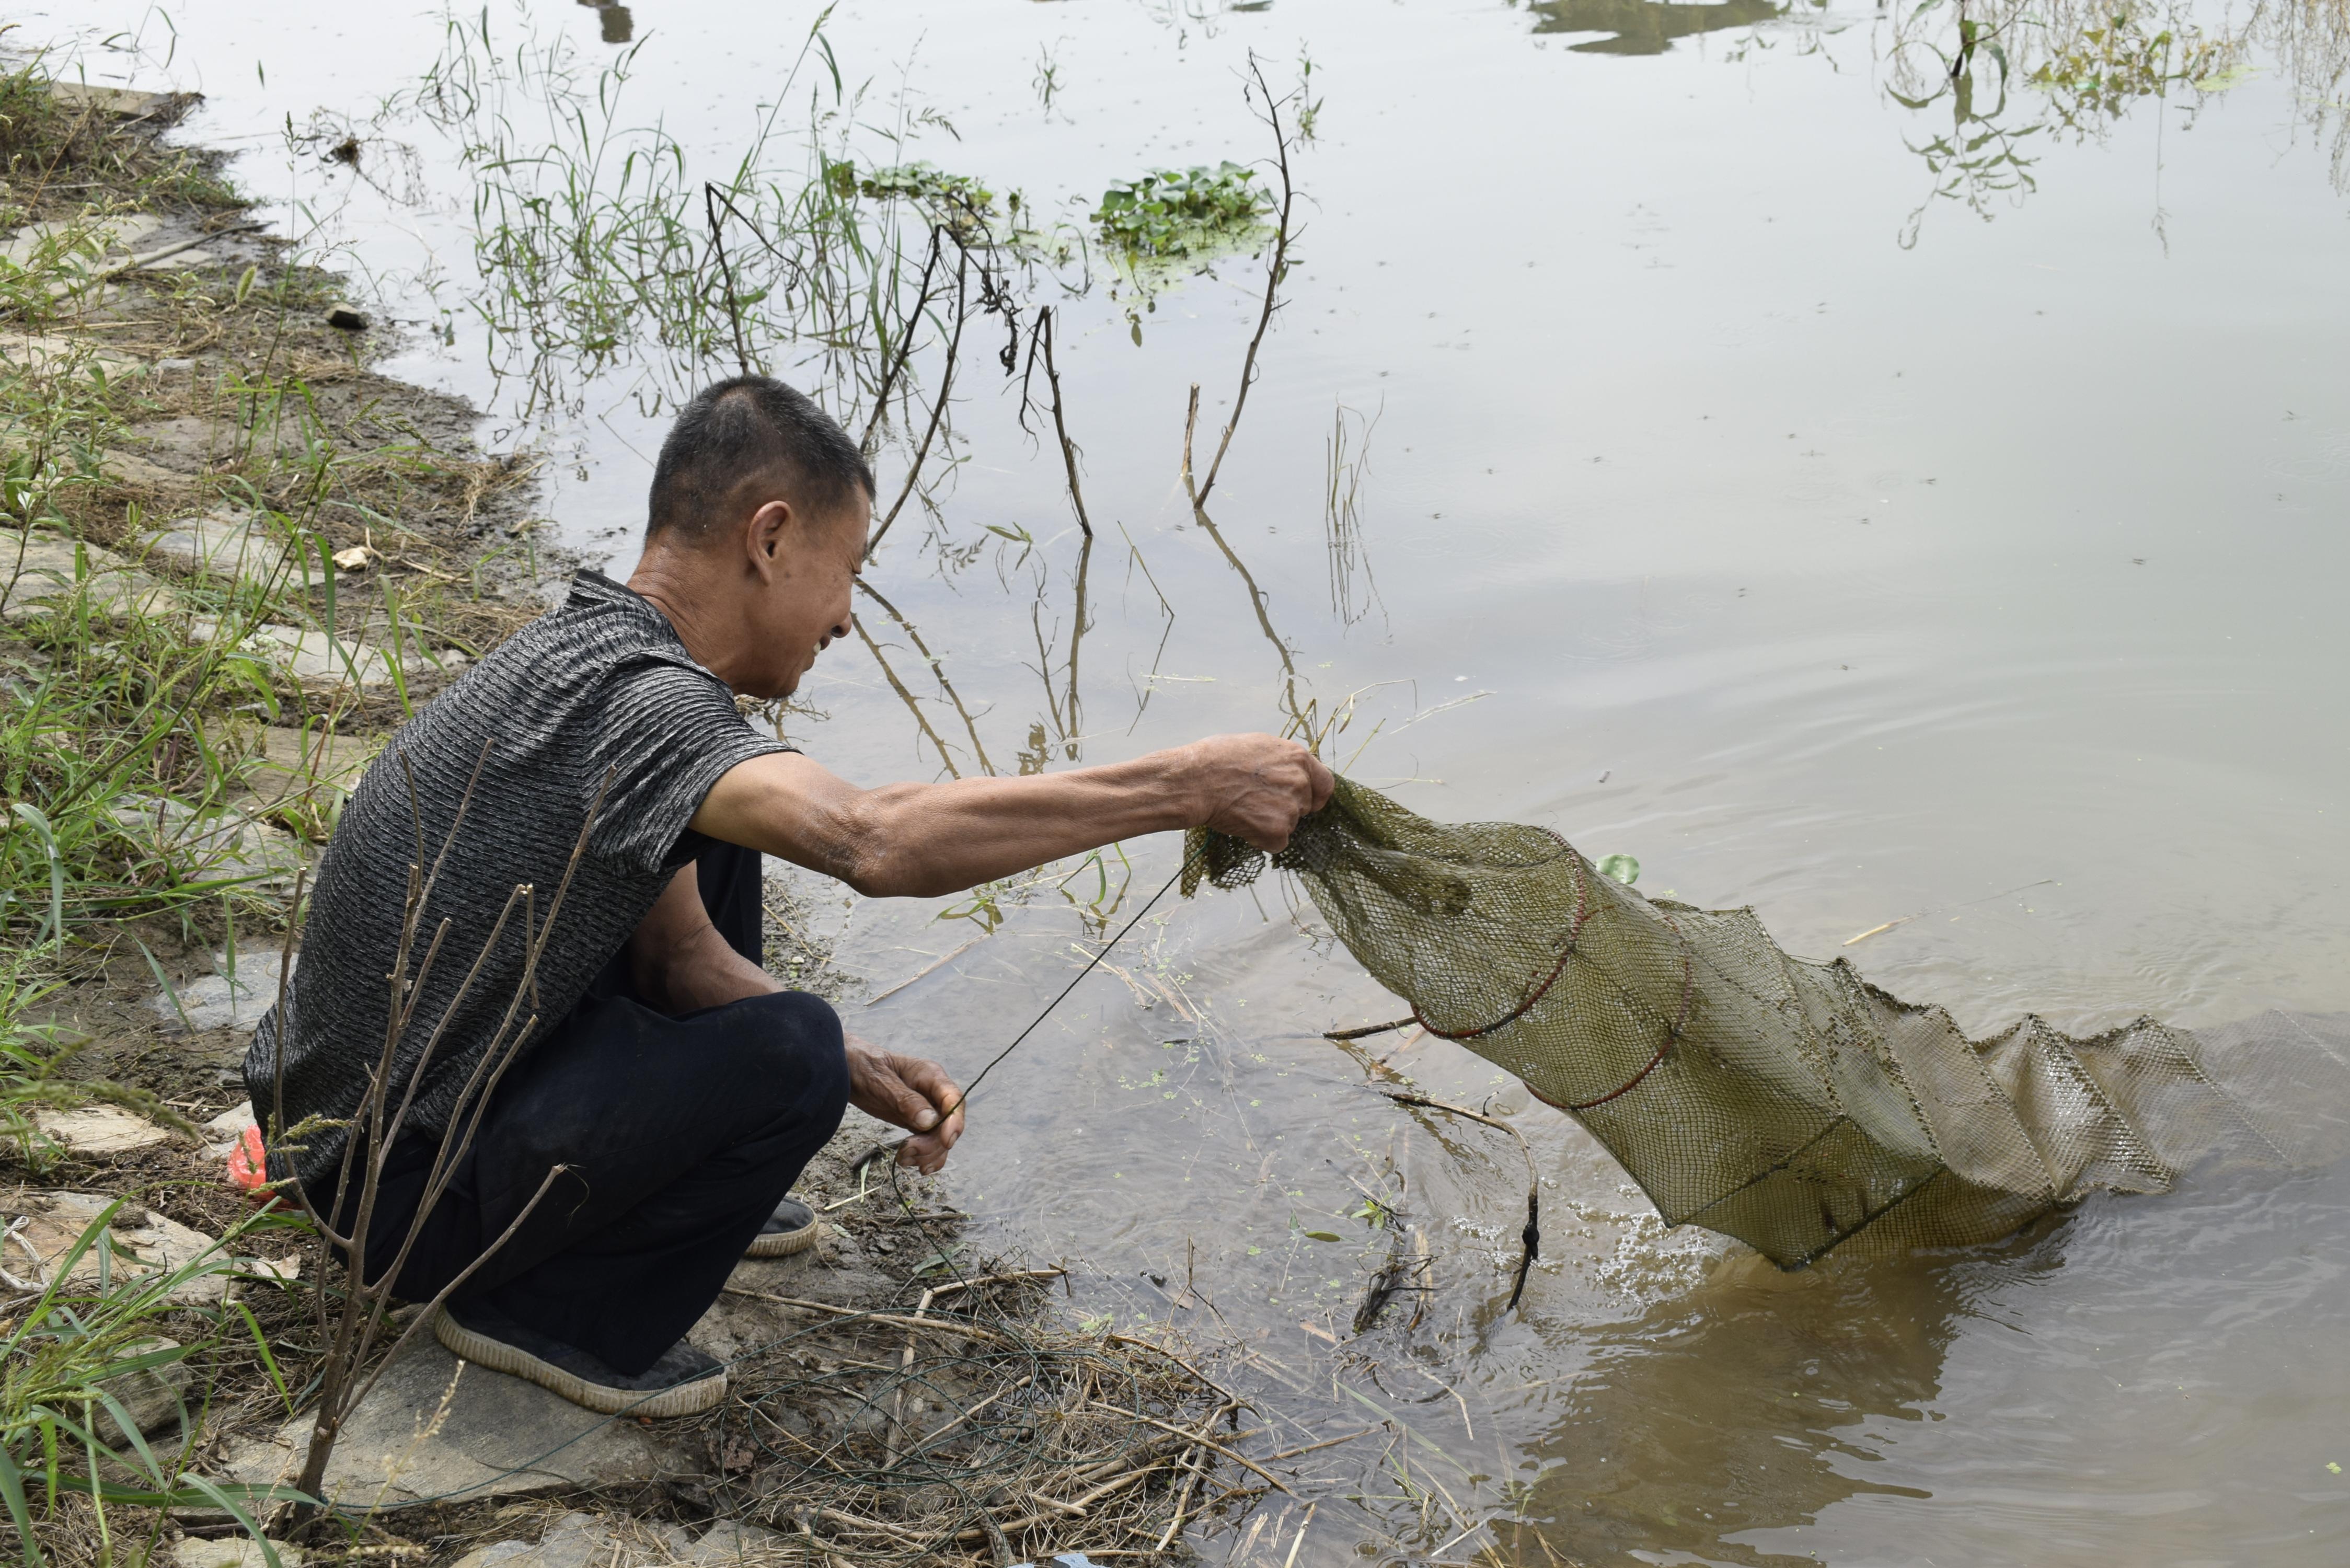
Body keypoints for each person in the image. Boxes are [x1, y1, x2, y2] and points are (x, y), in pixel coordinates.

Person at [245, 375, 1332, 1417]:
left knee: (734, 887)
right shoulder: (644, 709)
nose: (847, 618)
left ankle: (657, 1182)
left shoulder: (596, 650)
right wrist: (1182, 786)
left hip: (360, 1143)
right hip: (396, 1194)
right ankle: (540, 1311)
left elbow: (677, 957)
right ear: (768, 540)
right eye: (845, 569)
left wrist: (858, 1072)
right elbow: (872, 840)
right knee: (786, 1047)